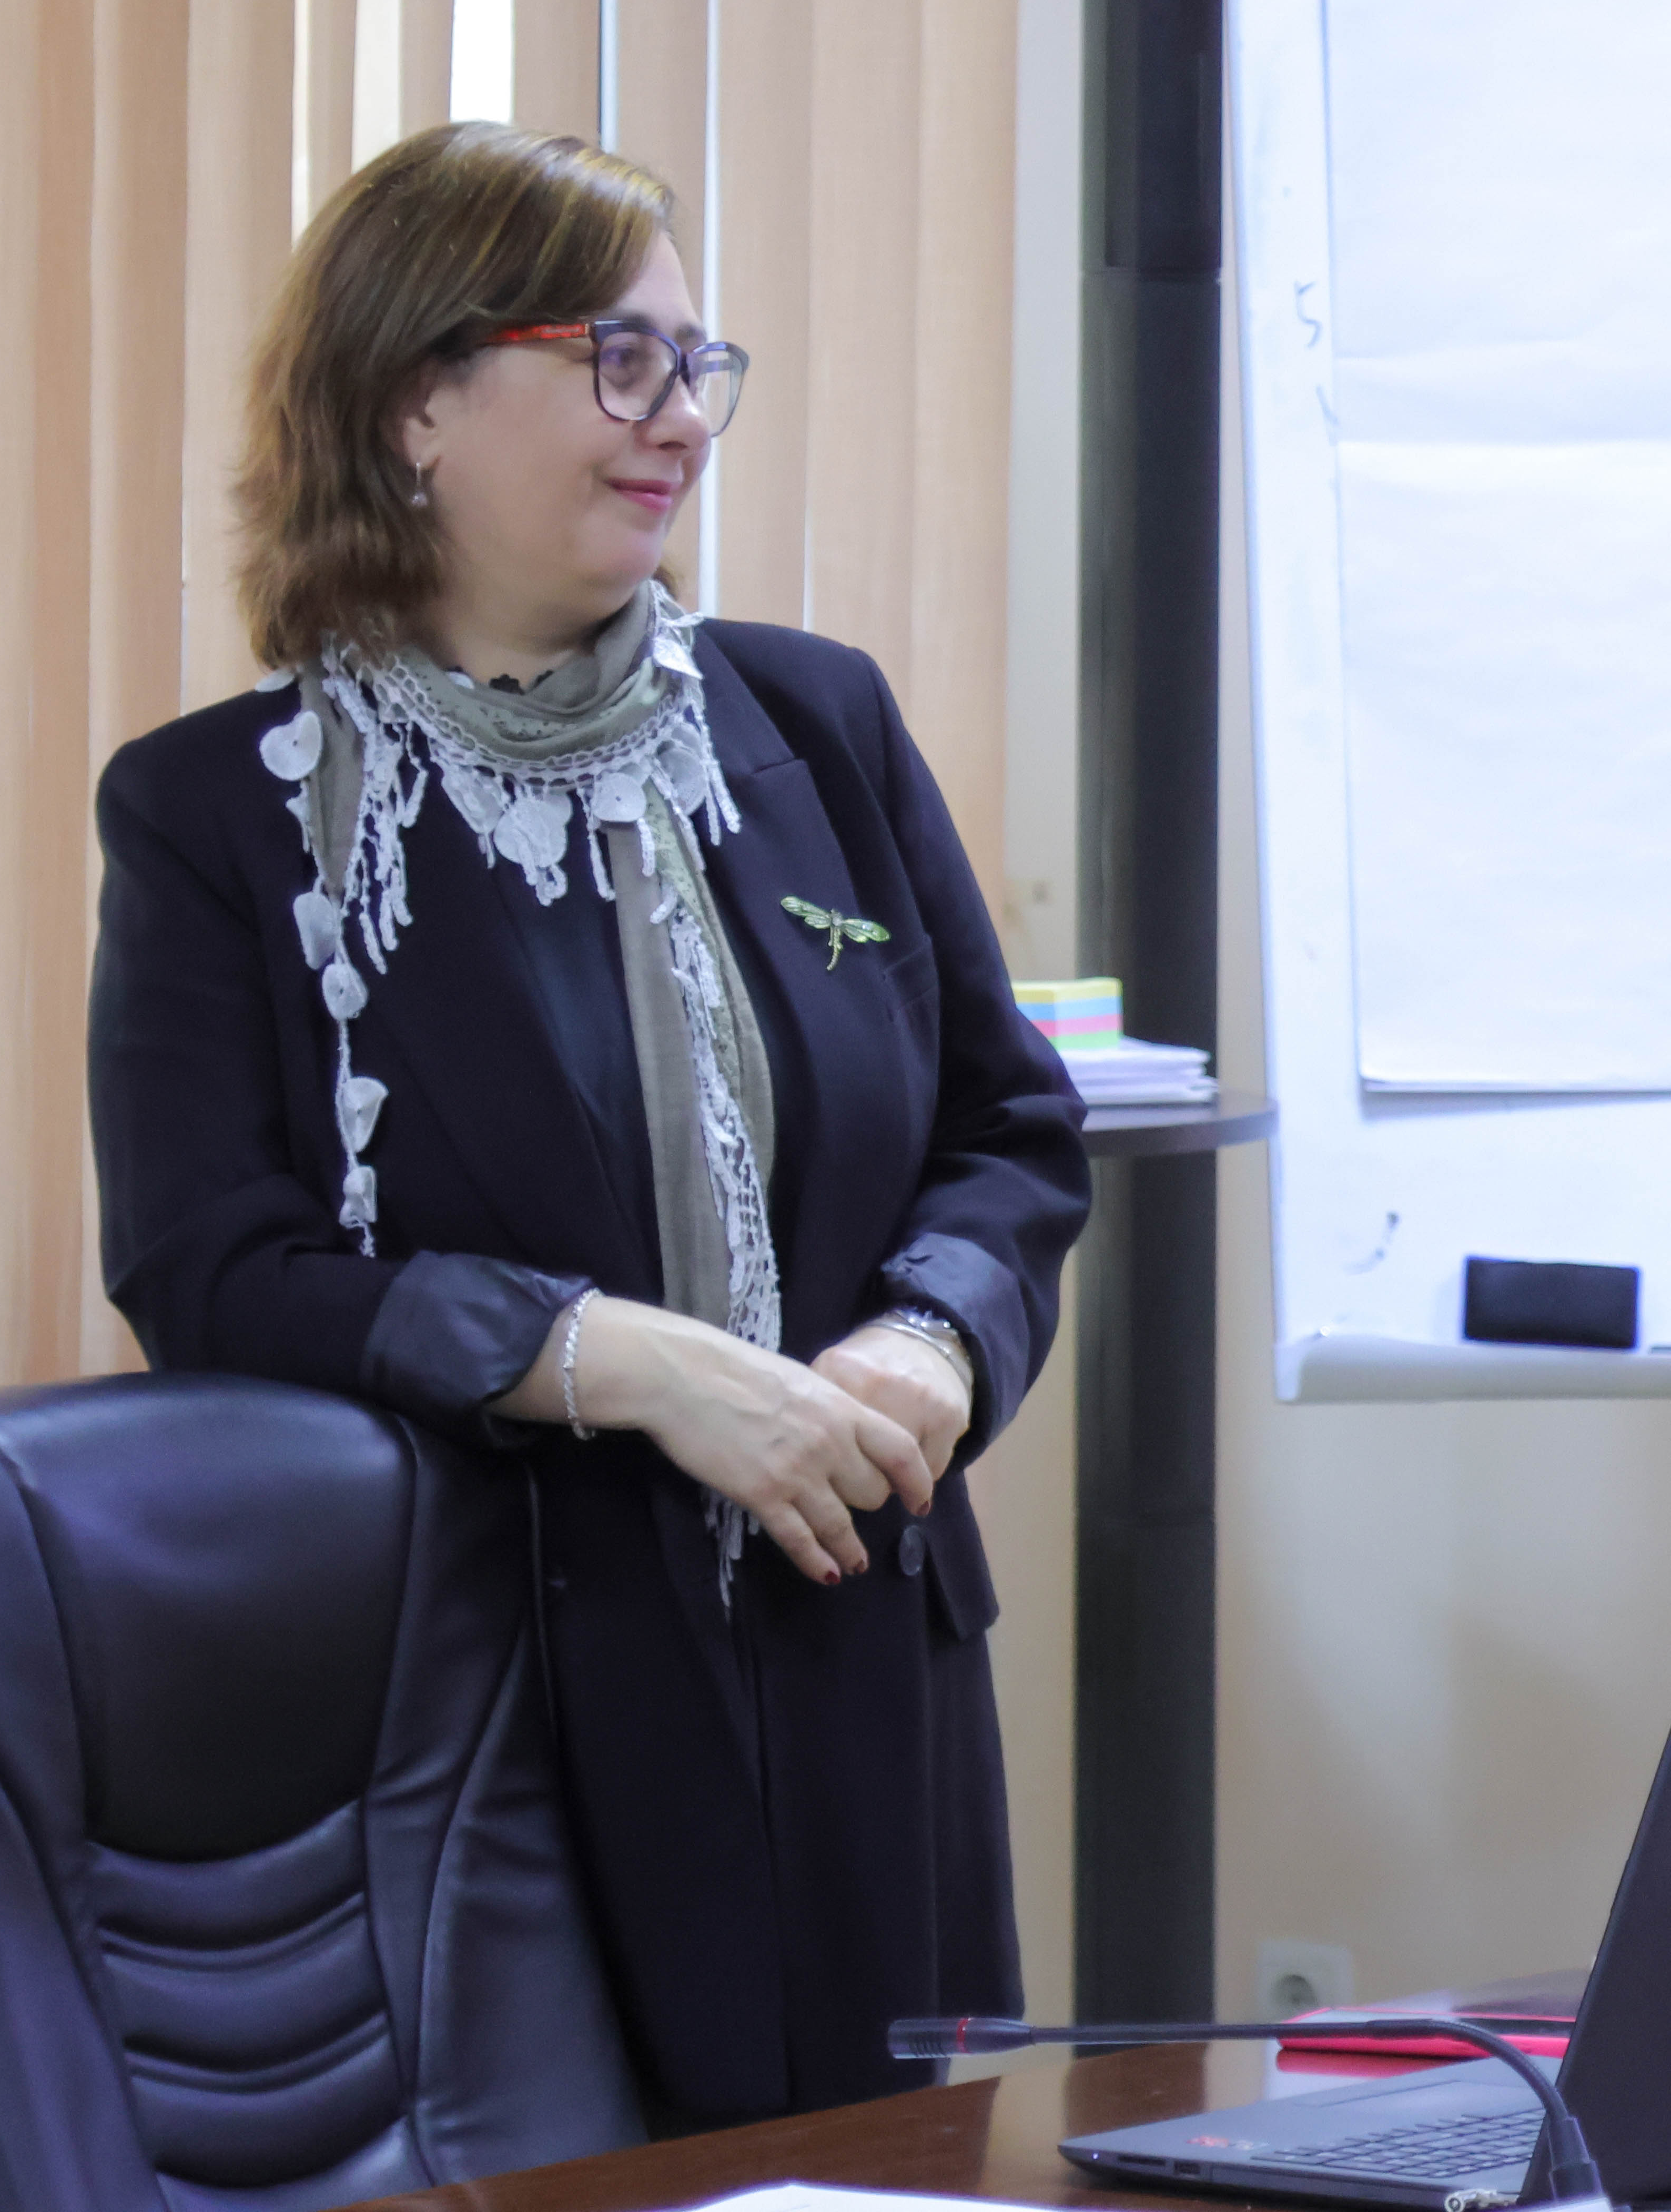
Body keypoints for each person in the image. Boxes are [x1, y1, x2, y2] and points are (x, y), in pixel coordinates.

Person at [88, 121, 1091, 2122]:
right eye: (620, 361)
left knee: (901, 2179)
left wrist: (933, 1336)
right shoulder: (219, 819)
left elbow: (1010, 1132)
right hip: (498, 1708)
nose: (682, 418)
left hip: (863, 1652)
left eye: (697, 365)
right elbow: (212, 1267)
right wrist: (613, 1360)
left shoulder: (814, 725)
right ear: (415, 404)